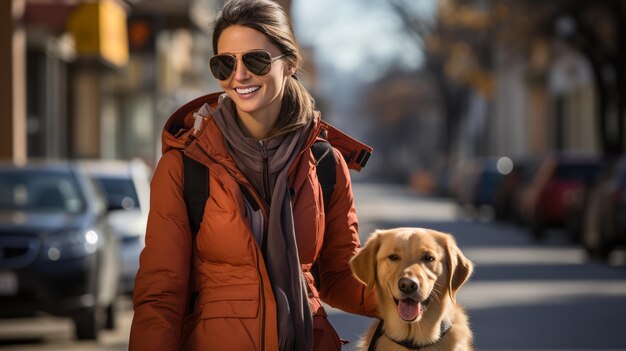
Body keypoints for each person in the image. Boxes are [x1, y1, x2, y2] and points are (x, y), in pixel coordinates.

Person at [129, 0, 377, 350]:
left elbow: (338, 277)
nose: (239, 75)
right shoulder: (185, 166)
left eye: (256, 60)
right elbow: (161, 294)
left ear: (289, 63)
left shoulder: (325, 163)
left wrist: (406, 297)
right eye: (225, 63)